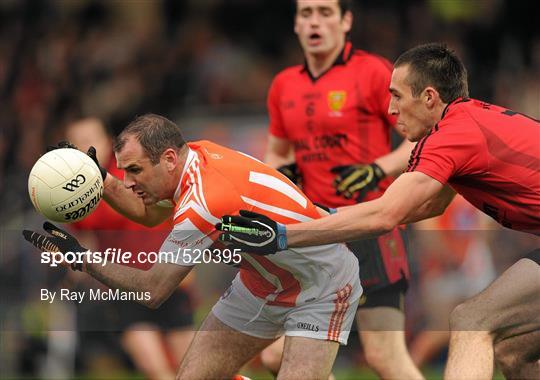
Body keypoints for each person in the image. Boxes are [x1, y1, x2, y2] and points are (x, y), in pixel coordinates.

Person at [217, 43, 540, 379]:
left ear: (429, 97)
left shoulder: (453, 135)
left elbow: (386, 214)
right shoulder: (467, 123)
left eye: (397, 96)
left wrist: (282, 234)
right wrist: (318, 219)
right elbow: (430, 205)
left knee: (472, 321)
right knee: (512, 351)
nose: (390, 109)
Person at [23, 114, 362, 379]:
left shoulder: (203, 203)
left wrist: (81, 259)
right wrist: (102, 179)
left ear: (168, 158)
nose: (128, 181)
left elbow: (153, 290)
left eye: (135, 170)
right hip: (262, 282)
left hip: (321, 284)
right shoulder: (194, 154)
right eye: (123, 171)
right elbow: (149, 214)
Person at [261, 1, 421, 378]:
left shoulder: (374, 72)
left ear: (346, 21)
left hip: (370, 227)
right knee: (275, 357)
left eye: (325, 12)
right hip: (316, 233)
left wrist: (375, 169)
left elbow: (419, 138)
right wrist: (280, 176)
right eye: (306, 13)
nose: (315, 21)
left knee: (385, 357)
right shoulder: (284, 84)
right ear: (296, 25)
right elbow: (277, 153)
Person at [65, 118, 196, 380]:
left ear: (108, 141)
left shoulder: (133, 172)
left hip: (168, 278)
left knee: (193, 368)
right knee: (155, 369)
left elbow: (173, 212)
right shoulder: (75, 193)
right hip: (125, 289)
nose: (85, 146)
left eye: (90, 138)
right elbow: (87, 236)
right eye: (77, 142)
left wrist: (189, 264)